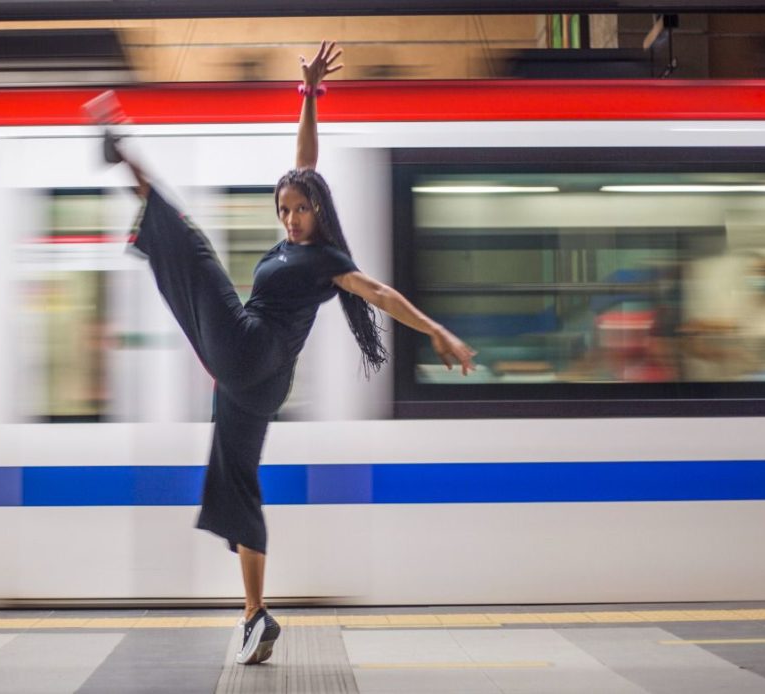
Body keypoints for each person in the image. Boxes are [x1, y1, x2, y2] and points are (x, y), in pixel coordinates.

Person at [91, 41, 476, 666]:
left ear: (318, 211)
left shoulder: (326, 259)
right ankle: (254, 615)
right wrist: (309, 96)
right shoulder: (301, 240)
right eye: (285, 210)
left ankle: (124, 153)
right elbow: (306, 163)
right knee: (238, 483)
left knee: (188, 243)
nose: (291, 217)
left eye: (300, 210)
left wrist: (435, 329)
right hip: (261, 380)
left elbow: (379, 292)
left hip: (247, 347)